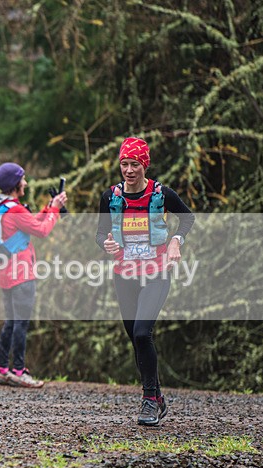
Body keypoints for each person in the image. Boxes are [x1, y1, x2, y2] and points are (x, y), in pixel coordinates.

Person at [95, 137, 194, 425]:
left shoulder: (162, 195)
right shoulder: (110, 197)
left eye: (134, 164)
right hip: (124, 274)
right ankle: (158, 396)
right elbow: (100, 233)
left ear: (144, 165)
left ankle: (148, 400)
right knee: (135, 339)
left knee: (141, 333)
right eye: (124, 164)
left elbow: (187, 218)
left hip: (156, 271)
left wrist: (176, 240)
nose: (128, 170)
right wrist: (106, 245)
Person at [0, 162, 68, 388]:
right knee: (21, 323)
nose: (26, 183)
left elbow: (31, 223)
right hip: (22, 275)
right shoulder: (16, 210)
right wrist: (57, 209)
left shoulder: (5, 207)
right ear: (15, 183)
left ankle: (2, 369)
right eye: (23, 179)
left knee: (10, 321)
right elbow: (42, 230)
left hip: (6, 274)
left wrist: (50, 207)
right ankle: (19, 371)